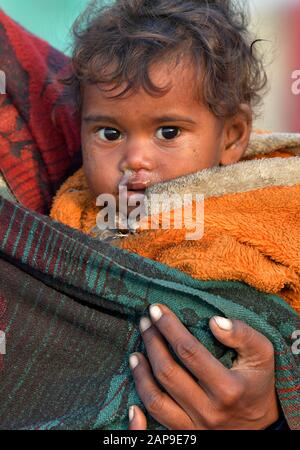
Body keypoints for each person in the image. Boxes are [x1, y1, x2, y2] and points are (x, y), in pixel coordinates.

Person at [49, 0, 300, 429]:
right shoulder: (71, 220)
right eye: (109, 133)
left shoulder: (271, 202)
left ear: (232, 137)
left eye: (168, 132)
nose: (135, 159)